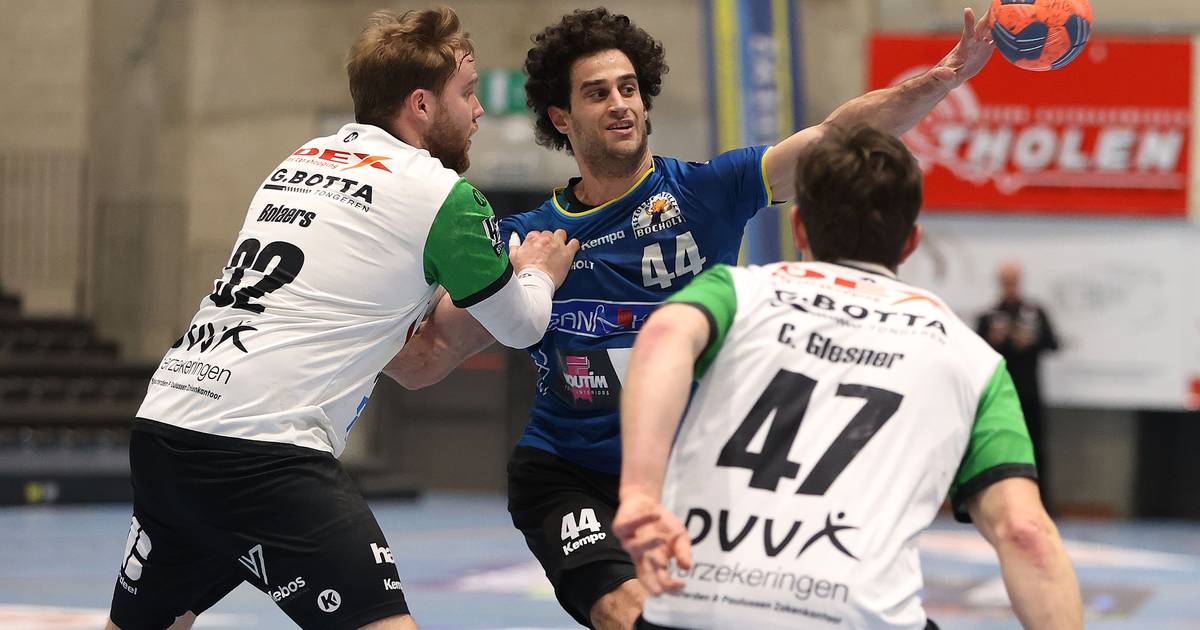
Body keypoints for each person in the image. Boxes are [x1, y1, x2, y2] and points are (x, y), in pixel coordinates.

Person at [389, 7, 996, 629]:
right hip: (572, 476)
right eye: (597, 94)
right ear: (561, 118)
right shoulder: (527, 243)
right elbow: (427, 358)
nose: (620, 104)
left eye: (629, 88)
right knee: (630, 615)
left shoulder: (708, 192)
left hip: (704, 476)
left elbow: (839, 135)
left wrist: (942, 79)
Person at [106, 8, 578, 630]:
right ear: (421, 105)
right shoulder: (444, 196)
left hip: (168, 427)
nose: (479, 111)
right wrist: (538, 272)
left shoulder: (300, 160)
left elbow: (408, 356)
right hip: (262, 452)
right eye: (466, 94)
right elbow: (520, 326)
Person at [612, 125, 1082, 630]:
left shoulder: (735, 292)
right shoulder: (973, 359)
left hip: (693, 607)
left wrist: (639, 492)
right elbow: (1025, 532)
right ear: (911, 241)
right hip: (853, 615)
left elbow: (662, 337)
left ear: (800, 229)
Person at [976, 261, 1060, 511]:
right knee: (996, 446)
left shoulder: (1034, 312)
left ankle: (1040, 502)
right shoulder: (989, 315)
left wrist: (1030, 342)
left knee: (1035, 446)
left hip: (1030, 392)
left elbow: (1053, 343)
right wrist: (995, 341)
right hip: (1000, 393)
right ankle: (995, 501)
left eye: (1013, 279)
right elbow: (975, 349)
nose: (1010, 285)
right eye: (1006, 279)